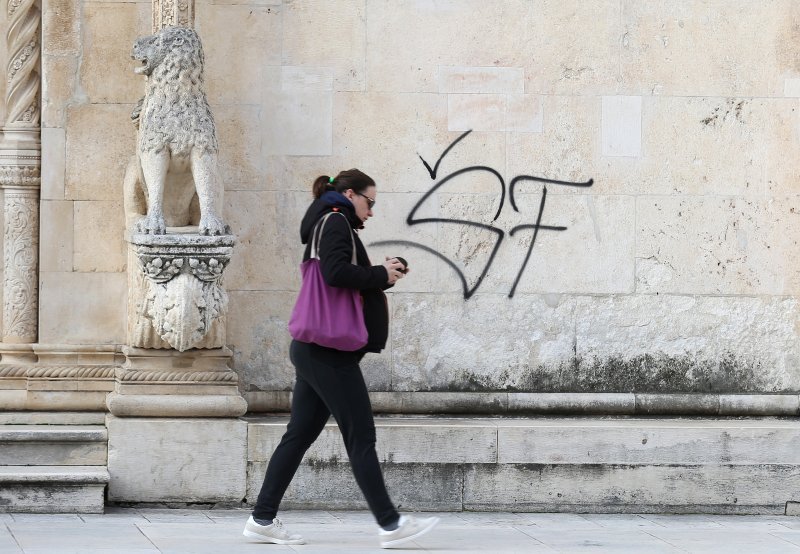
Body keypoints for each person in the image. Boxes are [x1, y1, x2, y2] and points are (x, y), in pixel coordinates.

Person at [243, 169, 439, 548]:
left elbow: (341, 276)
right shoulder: (334, 221)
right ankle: (391, 524)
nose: (371, 212)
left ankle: (262, 519)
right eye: (370, 202)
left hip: (315, 349)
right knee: (360, 435)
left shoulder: (329, 221)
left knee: (299, 434)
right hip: (328, 353)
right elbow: (334, 274)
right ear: (350, 194)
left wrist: (382, 274)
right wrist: (378, 272)